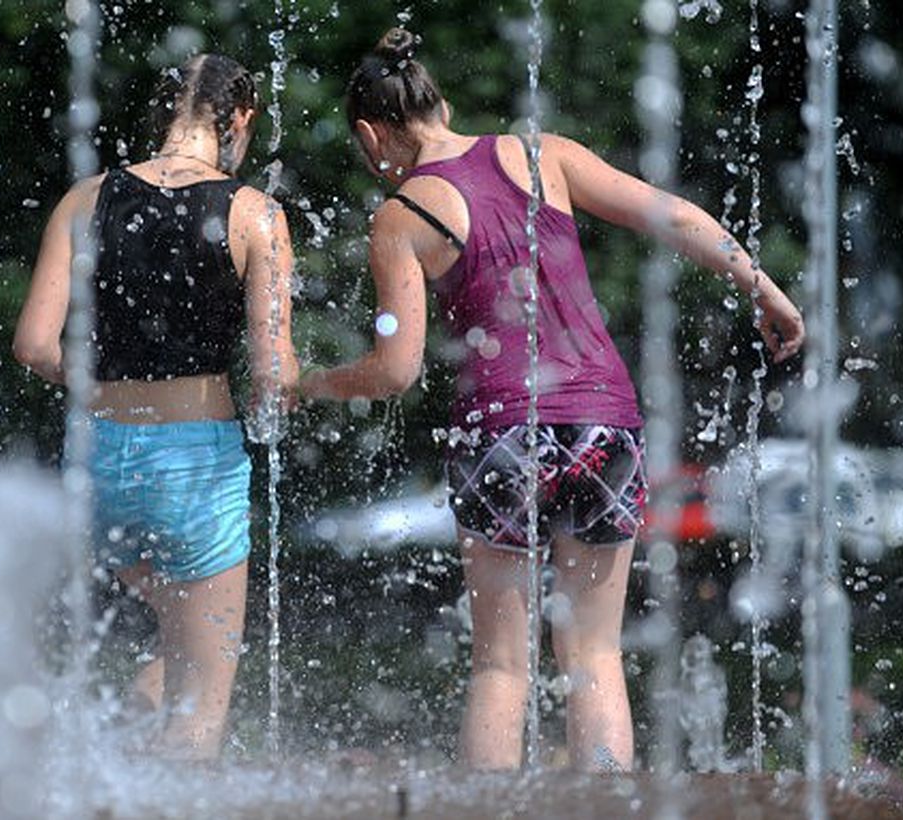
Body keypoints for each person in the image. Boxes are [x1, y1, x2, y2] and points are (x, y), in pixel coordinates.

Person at [298, 28, 804, 771]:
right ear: (437, 102)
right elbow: (674, 215)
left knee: (502, 663)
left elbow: (396, 371)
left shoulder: (402, 217)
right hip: (605, 427)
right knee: (595, 653)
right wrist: (767, 293)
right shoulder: (547, 155)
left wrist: (311, 383)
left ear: (374, 132)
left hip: (500, 434)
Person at [12, 54, 298, 760]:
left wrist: (106, 386)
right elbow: (272, 370)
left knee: (178, 646)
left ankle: (108, 764)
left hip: (101, 461)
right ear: (238, 119)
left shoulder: (85, 198)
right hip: (196, 465)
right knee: (201, 708)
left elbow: (32, 344)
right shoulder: (254, 213)